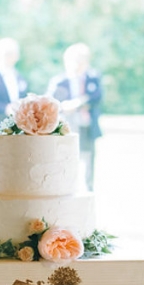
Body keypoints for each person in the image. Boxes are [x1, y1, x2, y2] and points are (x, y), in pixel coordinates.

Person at [47, 43, 103, 190]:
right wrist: (64, 107)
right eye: (75, 60)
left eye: (82, 60)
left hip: (87, 126)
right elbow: (51, 103)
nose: (78, 64)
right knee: (66, 159)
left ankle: (88, 188)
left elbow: (97, 96)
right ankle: (66, 188)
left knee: (88, 158)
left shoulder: (93, 78)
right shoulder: (60, 81)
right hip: (68, 127)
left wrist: (78, 102)